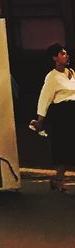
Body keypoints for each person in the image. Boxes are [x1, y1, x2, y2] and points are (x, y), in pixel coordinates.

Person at [31, 42, 75, 193]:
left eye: (66, 53)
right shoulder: (52, 77)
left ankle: (58, 179)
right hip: (62, 114)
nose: (66, 55)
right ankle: (59, 179)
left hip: (73, 110)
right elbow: (45, 98)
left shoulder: (72, 73)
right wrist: (40, 120)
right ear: (55, 57)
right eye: (62, 54)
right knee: (63, 147)